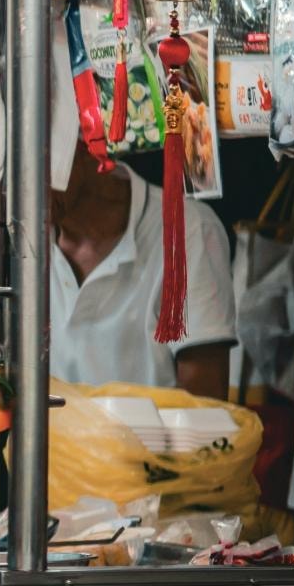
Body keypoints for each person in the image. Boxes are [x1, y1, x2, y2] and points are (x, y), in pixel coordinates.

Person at [49, 127, 236, 396]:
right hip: (56, 438)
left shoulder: (185, 230)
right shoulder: (20, 239)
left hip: (152, 439)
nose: (14, 190)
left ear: (81, 148)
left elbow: (205, 409)